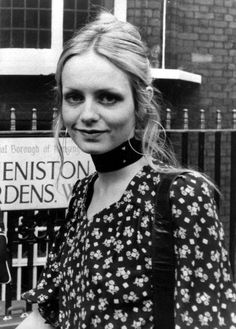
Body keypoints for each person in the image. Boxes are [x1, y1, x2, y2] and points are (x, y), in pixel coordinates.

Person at [17, 11, 236, 329]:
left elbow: (209, 319)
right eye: (75, 97)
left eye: (108, 98)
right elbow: (47, 310)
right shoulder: (83, 193)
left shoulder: (182, 194)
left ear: (140, 103)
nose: (87, 114)